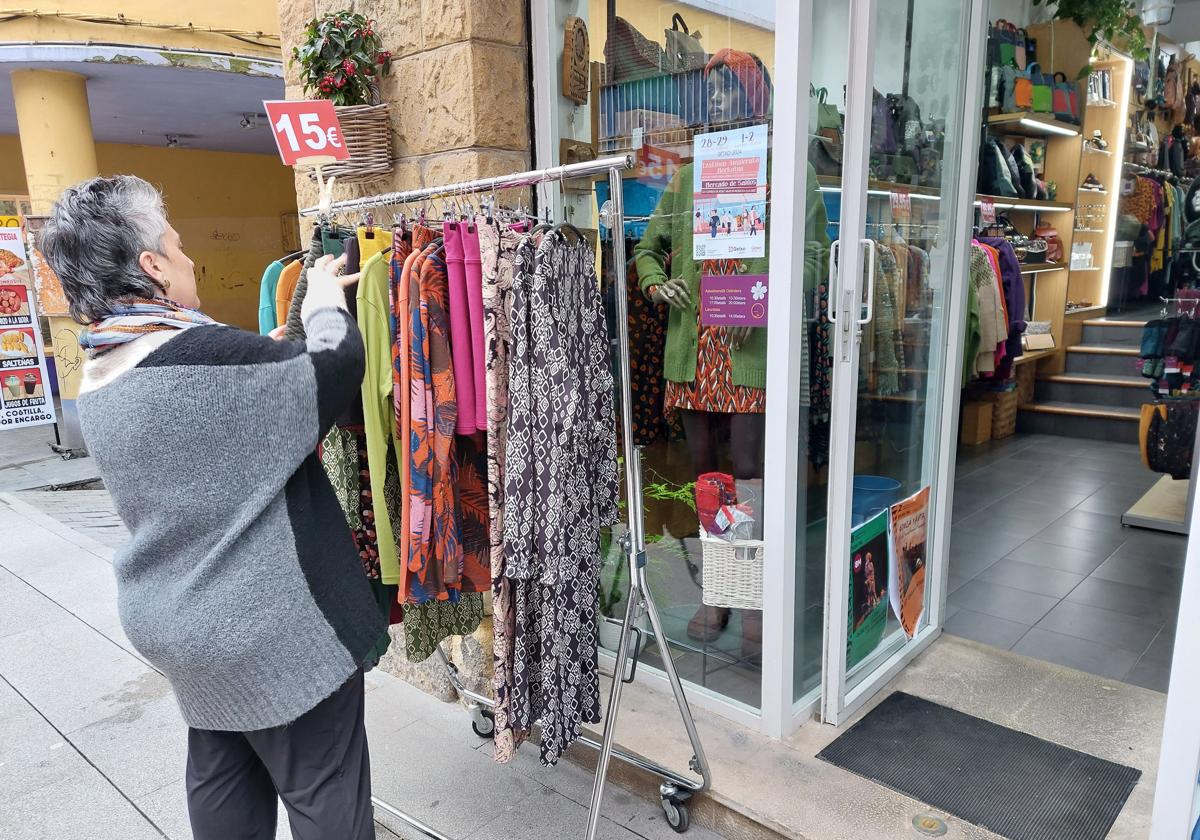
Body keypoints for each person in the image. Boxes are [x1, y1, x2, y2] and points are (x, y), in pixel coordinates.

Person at [39, 175, 382, 840]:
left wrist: (292, 326)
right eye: (177, 242)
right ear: (152, 266)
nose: (190, 256)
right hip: (268, 631)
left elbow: (249, 395)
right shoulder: (198, 358)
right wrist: (318, 304)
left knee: (225, 776)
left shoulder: (103, 368)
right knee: (325, 792)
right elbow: (334, 367)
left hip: (182, 624)